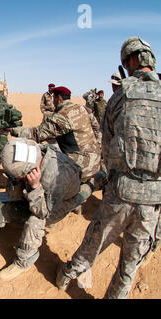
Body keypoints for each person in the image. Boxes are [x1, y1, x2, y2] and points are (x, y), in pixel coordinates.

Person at [56, 36, 161, 299]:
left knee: (95, 241)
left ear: (132, 61)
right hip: (155, 200)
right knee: (130, 264)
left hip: (121, 191)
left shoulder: (121, 94)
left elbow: (106, 139)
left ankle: (66, 275)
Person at [0, 138, 82, 280]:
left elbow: (43, 212)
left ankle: (23, 261)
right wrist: (16, 180)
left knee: (34, 221)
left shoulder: (54, 178)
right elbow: (13, 195)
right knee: (16, 199)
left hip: (61, 200)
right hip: (47, 187)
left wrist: (35, 187)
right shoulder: (34, 154)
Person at [11, 86, 101, 184]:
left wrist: (13, 130)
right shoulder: (82, 108)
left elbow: (37, 134)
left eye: (54, 98)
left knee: (44, 174)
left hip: (82, 166)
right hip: (95, 160)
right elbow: (96, 127)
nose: (52, 101)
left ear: (59, 98)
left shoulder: (63, 115)